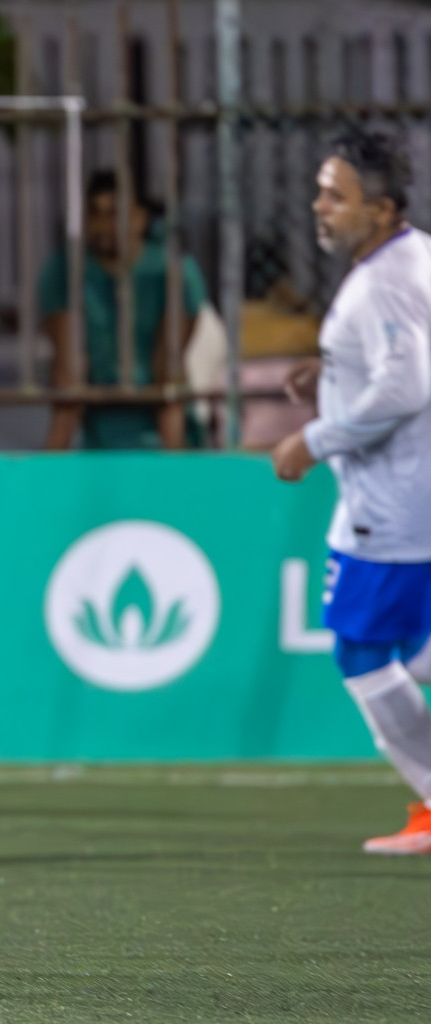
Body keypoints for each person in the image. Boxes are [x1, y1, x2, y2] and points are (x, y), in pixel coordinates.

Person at [272, 130, 431, 856]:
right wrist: (329, 368)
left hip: (393, 509)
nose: (320, 206)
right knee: (408, 651)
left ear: (383, 207)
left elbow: (405, 385)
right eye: (321, 190)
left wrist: (315, 437)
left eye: (338, 195)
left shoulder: (385, 280)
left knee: (363, 653)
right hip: (402, 498)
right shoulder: (409, 258)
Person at [38, 169, 209, 450]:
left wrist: (176, 470)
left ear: (140, 218)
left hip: (164, 435)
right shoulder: (65, 272)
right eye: (95, 213)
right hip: (96, 442)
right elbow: (68, 374)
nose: (103, 225)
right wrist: (50, 464)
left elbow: (168, 369)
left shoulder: (173, 272)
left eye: (114, 213)